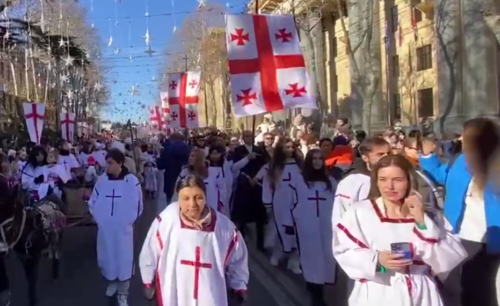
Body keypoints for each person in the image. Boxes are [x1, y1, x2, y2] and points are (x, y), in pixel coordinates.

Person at [333, 154, 467, 306]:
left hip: (422, 294)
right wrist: (378, 260)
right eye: (383, 179)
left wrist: (421, 221)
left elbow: (447, 260)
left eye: (398, 180)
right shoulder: (360, 212)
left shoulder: (430, 215)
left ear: (409, 180)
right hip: (379, 291)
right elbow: (344, 251)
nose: (389, 187)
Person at [419, 118, 500, 306]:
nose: (461, 139)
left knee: (486, 293)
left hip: (491, 239)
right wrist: (427, 155)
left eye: (466, 136)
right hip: (458, 235)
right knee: (456, 291)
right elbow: (440, 175)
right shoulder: (461, 160)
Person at [139, 175, 249, 306]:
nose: (192, 204)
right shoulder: (166, 221)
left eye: (198, 197)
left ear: (205, 197)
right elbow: (150, 251)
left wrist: (239, 285)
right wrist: (148, 280)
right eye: (185, 198)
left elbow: (237, 258)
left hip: (210, 293)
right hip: (175, 292)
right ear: (178, 198)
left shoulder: (224, 228)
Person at [88, 148, 143, 306]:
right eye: (107, 163)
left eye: (110, 163)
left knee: (123, 260)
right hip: (106, 229)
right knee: (108, 258)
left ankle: (123, 293)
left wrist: (126, 222)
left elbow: (137, 204)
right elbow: (93, 202)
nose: (107, 166)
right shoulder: (102, 180)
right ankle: (112, 283)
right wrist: (101, 220)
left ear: (120, 163)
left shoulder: (131, 181)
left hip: (123, 230)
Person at [291, 149, 336, 306]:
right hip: (306, 226)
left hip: (326, 227)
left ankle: (320, 291)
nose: (317, 162)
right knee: (311, 259)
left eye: (320, 159)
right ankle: (314, 293)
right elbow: (292, 202)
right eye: (314, 159)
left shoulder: (331, 182)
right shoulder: (299, 180)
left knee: (326, 259)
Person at [261, 138, 302, 273]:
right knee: (280, 228)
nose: (290, 150)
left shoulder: (300, 164)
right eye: (287, 147)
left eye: (292, 147)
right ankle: (278, 253)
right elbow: (268, 185)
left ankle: (294, 260)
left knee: (296, 231)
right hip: (280, 202)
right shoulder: (274, 166)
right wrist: (267, 203)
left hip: (296, 202)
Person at [331, 137, 391, 225]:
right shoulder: (352, 182)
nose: (386, 157)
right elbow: (340, 214)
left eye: (389, 153)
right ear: (365, 158)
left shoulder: (399, 177)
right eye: (380, 154)